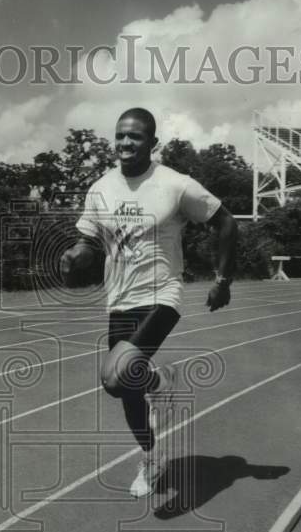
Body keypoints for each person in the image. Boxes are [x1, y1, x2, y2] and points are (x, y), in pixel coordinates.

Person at [60, 108, 238, 497]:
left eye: (136, 136)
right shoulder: (100, 188)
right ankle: (153, 455)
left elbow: (226, 221)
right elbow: (88, 242)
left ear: (152, 143)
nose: (126, 143)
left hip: (161, 295)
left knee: (115, 376)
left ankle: (159, 382)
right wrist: (77, 255)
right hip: (119, 299)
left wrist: (222, 280)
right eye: (120, 135)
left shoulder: (175, 184)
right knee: (123, 389)